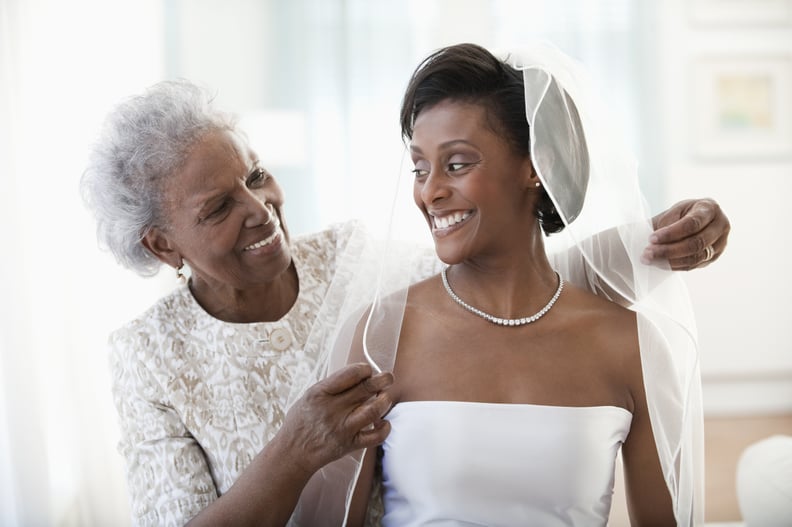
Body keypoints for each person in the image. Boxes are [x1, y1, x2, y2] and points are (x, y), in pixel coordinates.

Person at [80, 77, 725, 526]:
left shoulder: (353, 264)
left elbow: (508, 281)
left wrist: (657, 240)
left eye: (255, 176)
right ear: (164, 245)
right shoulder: (147, 355)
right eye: (220, 207)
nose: (261, 211)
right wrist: (295, 450)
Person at [341, 43, 706, 526]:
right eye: (420, 168)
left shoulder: (632, 345)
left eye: (456, 164)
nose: (429, 192)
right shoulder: (380, 336)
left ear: (537, 165)